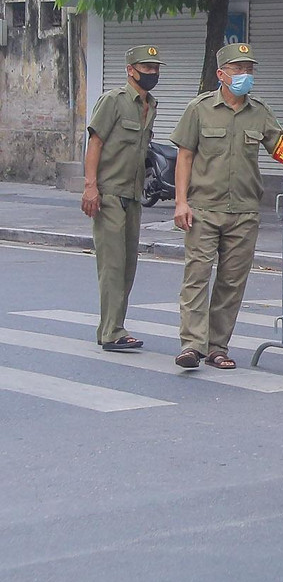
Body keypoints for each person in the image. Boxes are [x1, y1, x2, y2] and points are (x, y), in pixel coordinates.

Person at [170, 44, 283, 370]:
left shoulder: (259, 111)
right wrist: (181, 202)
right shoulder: (199, 109)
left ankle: (217, 347)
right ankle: (191, 345)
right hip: (204, 208)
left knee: (232, 282)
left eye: (249, 69)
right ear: (221, 74)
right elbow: (185, 155)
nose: (245, 75)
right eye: (238, 69)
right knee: (197, 277)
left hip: (244, 212)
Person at [81, 44, 163, 352]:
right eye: (146, 68)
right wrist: (91, 187)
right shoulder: (113, 101)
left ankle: (114, 326)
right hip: (110, 194)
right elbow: (95, 143)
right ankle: (112, 331)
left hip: (133, 195)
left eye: (155, 69)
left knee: (128, 265)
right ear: (131, 70)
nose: (152, 73)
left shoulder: (150, 104)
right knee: (112, 266)